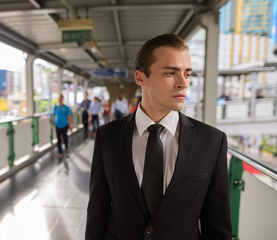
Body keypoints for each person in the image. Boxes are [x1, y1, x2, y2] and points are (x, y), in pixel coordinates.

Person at [85, 34, 232, 239]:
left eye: (187, 74)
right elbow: (97, 210)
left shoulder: (211, 142)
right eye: (170, 73)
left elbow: (217, 224)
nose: (183, 83)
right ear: (140, 78)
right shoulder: (107, 137)